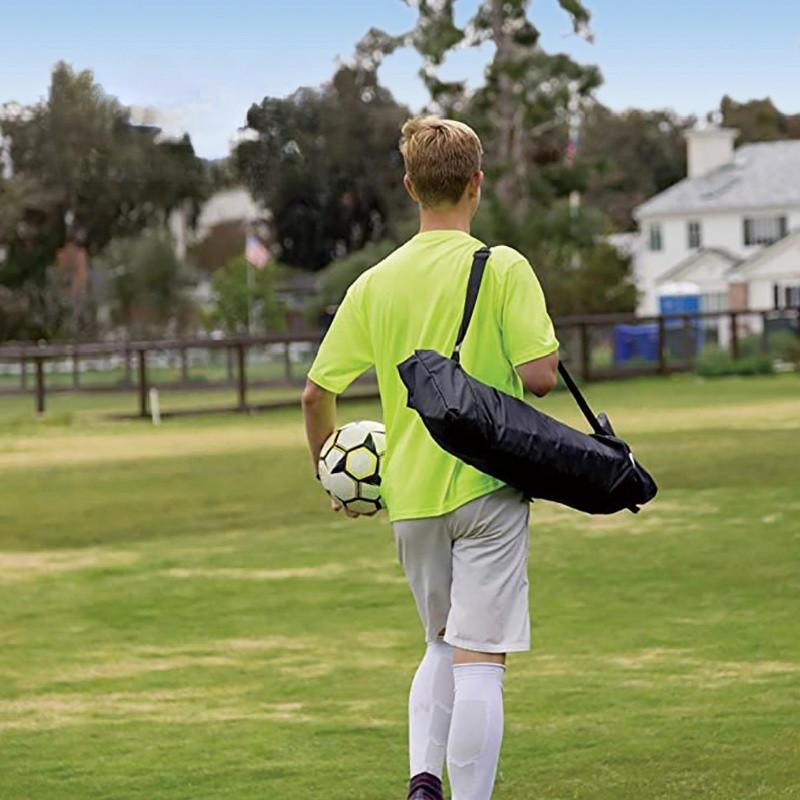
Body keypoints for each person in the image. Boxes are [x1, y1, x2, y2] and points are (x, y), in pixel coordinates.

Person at [302, 116, 560, 800]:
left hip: (409, 497)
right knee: (481, 661)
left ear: (410, 185)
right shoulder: (503, 267)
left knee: (441, 642)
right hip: (490, 487)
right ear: (478, 183)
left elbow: (315, 393)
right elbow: (539, 376)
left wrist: (330, 470)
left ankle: (422, 784)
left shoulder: (374, 282)